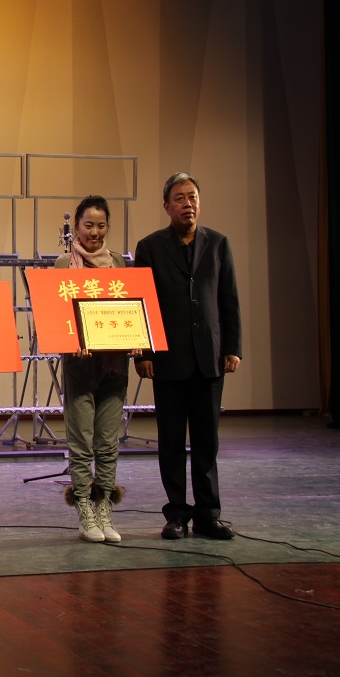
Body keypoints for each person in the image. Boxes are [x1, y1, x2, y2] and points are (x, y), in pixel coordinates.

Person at [134, 172, 242, 540]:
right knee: (171, 443)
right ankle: (177, 514)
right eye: (179, 198)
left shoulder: (218, 243)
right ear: (167, 206)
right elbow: (142, 303)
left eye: (192, 197)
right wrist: (142, 353)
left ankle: (208, 515)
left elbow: (228, 299)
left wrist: (233, 347)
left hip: (209, 357)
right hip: (167, 359)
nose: (187, 204)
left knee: (207, 442)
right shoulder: (150, 247)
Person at [55, 196, 129, 543]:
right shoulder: (64, 265)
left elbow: (131, 309)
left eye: (101, 225)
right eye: (88, 225)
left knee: (108, 441)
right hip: (80, 365)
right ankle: (85, 509)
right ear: (77, 228)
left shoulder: (119, 263)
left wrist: (136, 337)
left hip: (114, 364)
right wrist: (73, 337)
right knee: (82, 441)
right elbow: (56, 314)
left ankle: (105, 508)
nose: (94, 232)